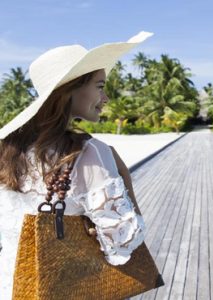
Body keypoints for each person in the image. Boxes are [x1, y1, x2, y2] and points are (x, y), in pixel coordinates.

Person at [0, 31, 153, 299]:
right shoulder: (88, 151)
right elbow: (123, 243)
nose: (105, 99)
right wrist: (124, 174)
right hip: (70, 289)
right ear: (70, 89)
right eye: (100, 86)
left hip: (12, 287)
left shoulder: (7, 150)